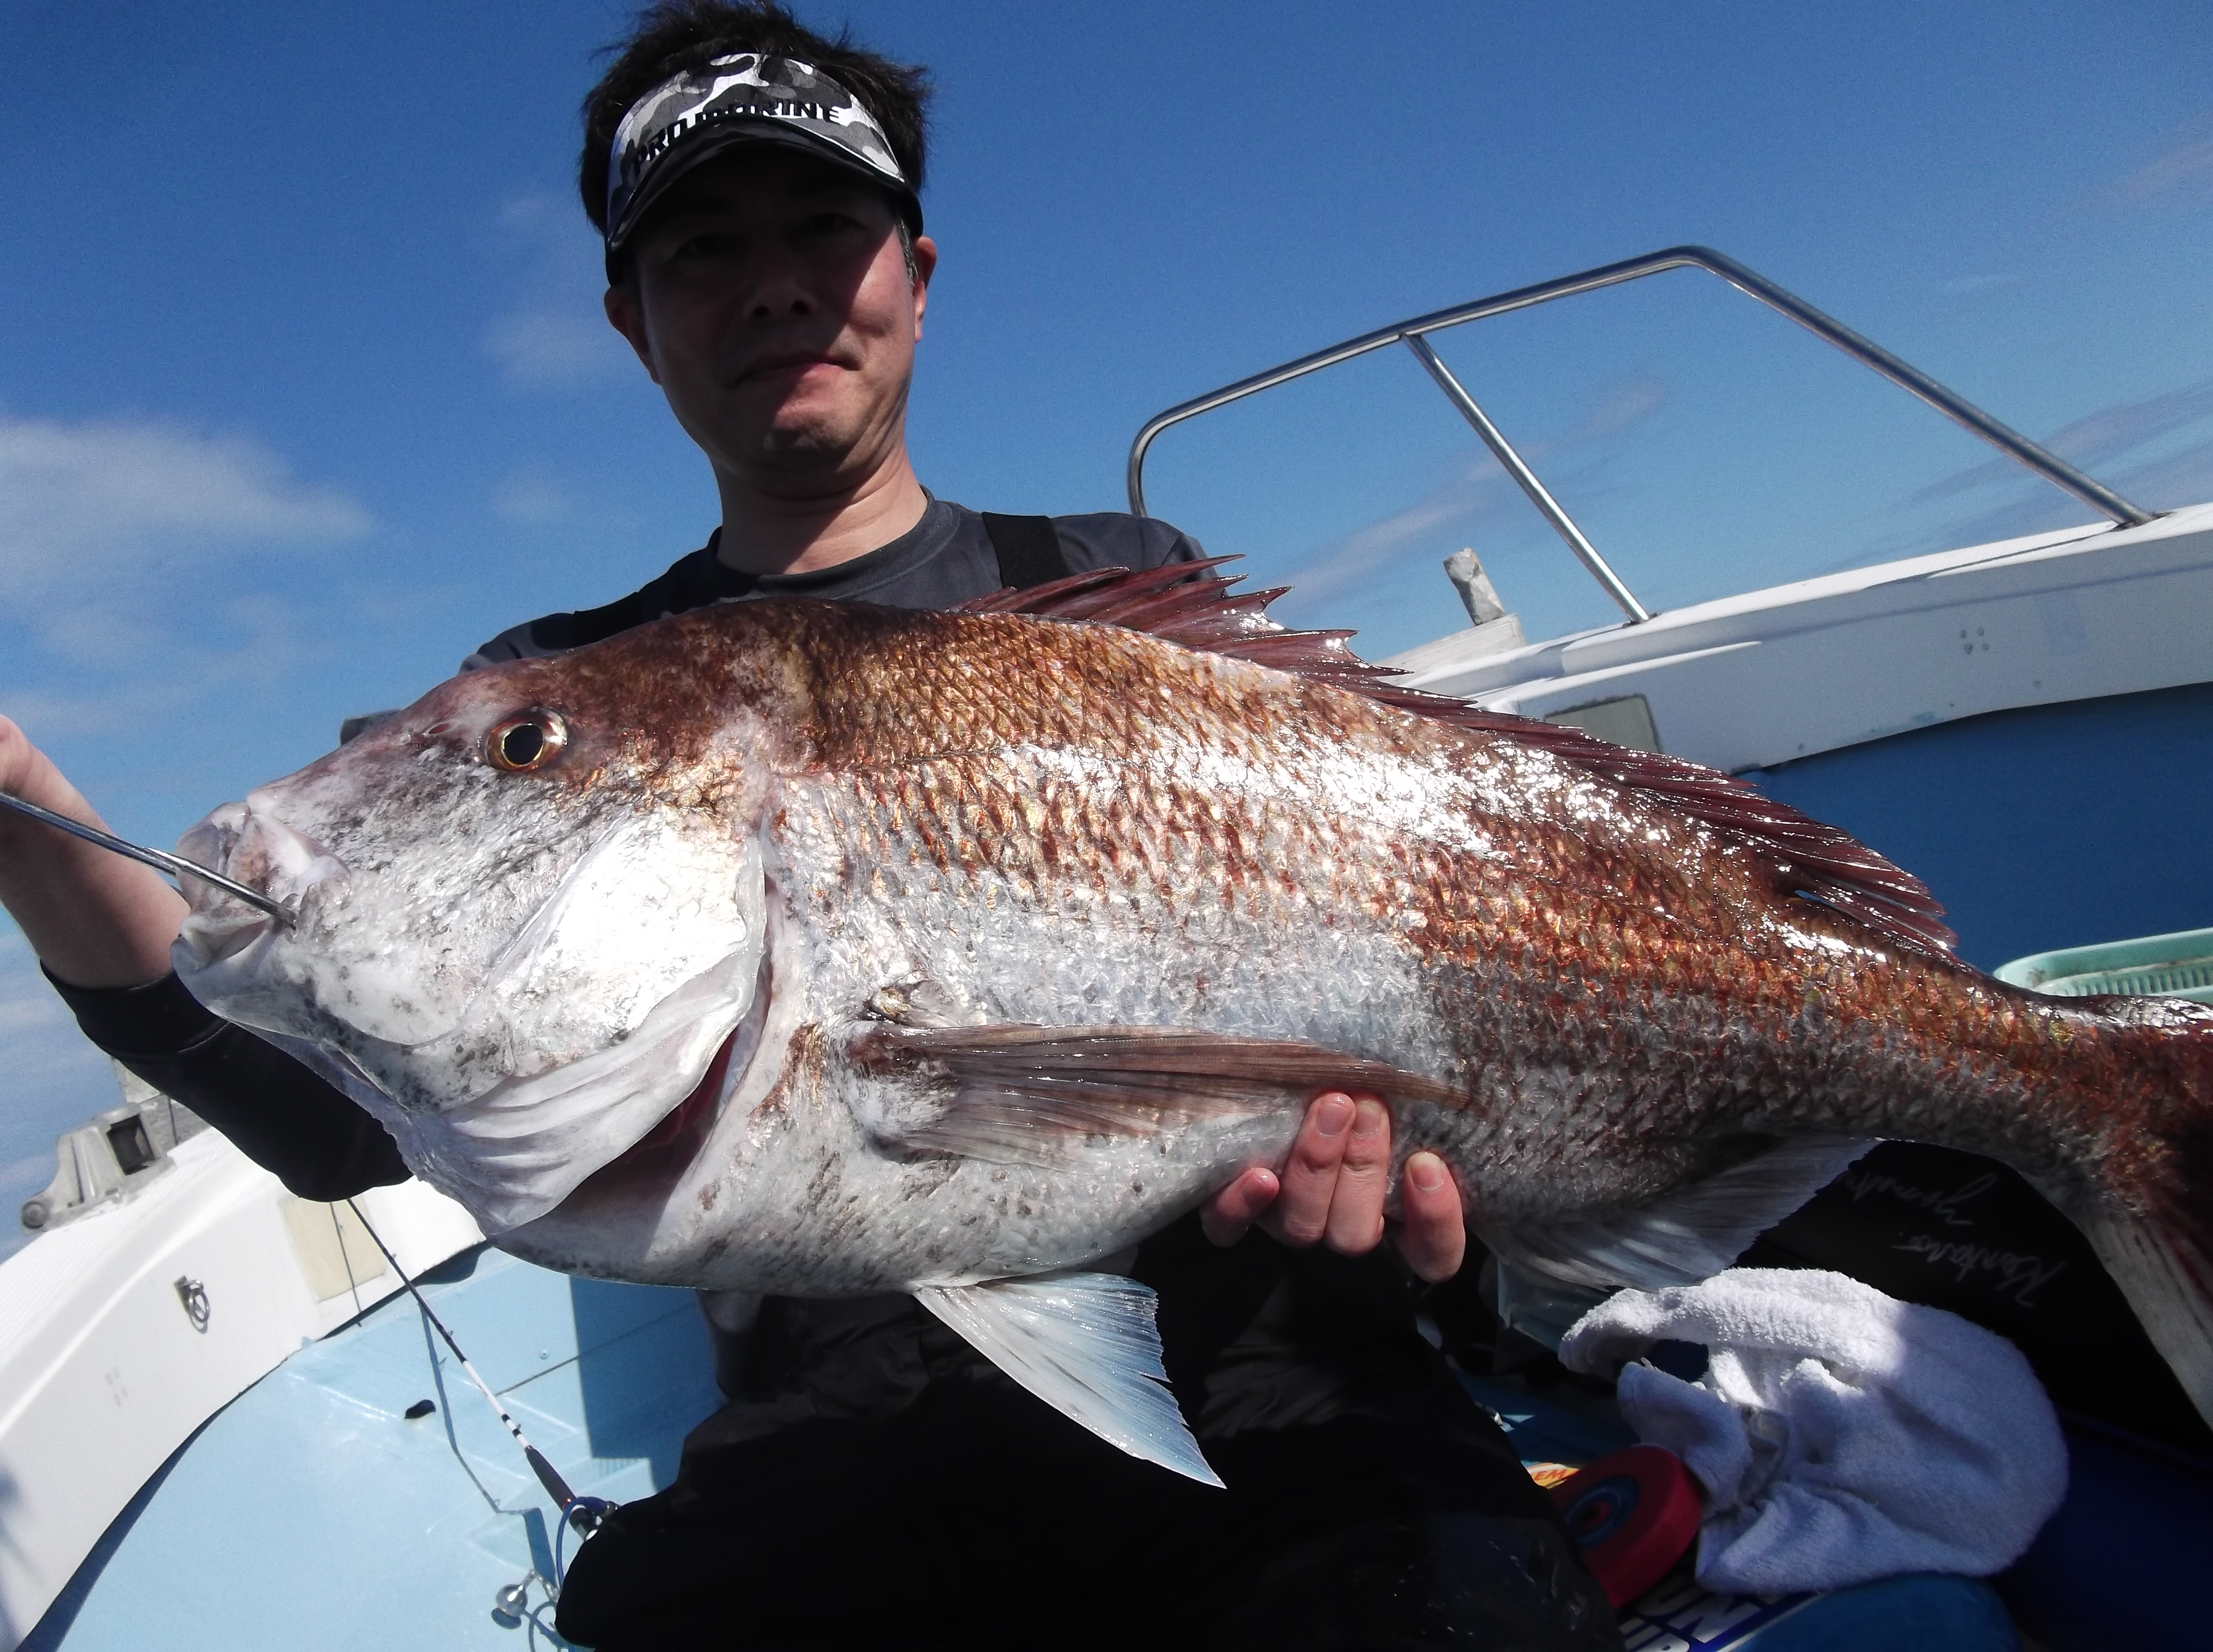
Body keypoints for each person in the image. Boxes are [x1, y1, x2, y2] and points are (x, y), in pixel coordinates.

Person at [0, 4, 1614, 1646]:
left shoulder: (1116, 590)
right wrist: (22, 808)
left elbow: (1402, 1002)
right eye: (704, 247)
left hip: (1260, 1367)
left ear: (916, 270)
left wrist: (1433, 1211)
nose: (774, 282)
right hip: (834, 1438)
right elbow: (328, 1107)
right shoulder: (557, 682)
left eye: (823, 226)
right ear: (631, 324)